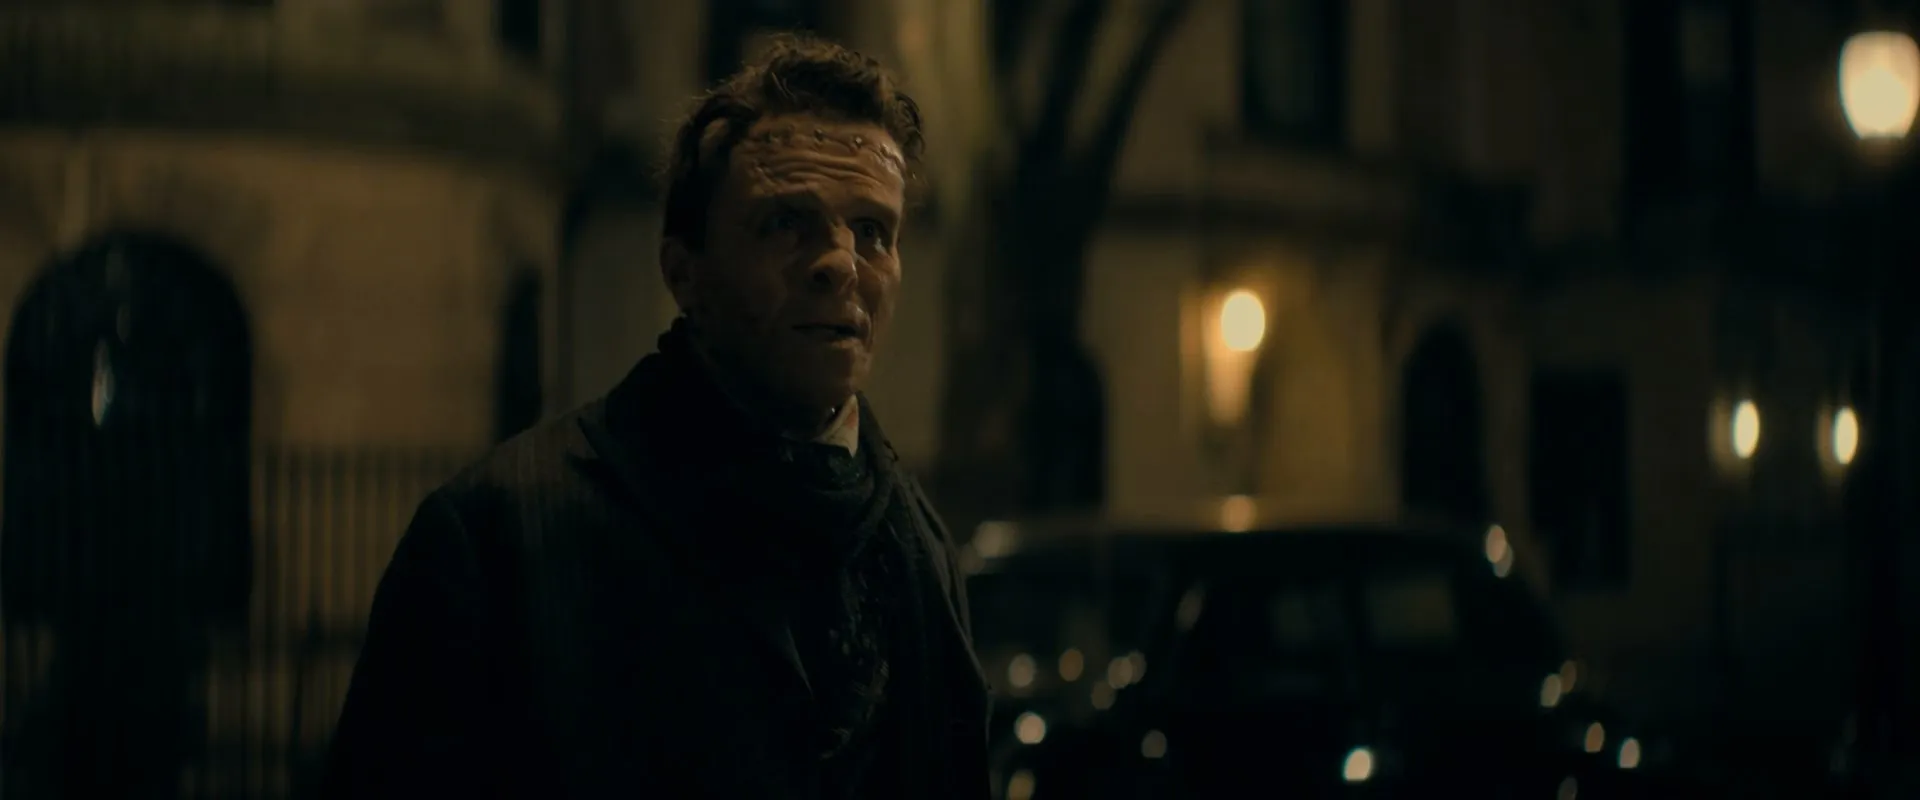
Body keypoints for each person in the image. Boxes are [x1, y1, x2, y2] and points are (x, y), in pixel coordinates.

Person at [321, 36, 990, 799]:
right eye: (784, 223)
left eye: (873, 231)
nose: (840, 263)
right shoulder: (498, 539)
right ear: (684, 272)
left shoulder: (919, 550)